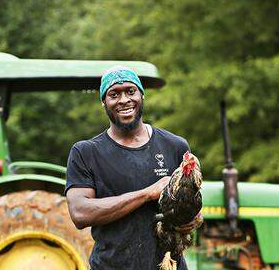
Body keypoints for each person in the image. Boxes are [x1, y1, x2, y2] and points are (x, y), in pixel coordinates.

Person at [65, 66, 202, 270]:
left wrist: (192, 219)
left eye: (130, 91)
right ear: (104, 101)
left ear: (142, 95)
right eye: (114, 94)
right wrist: (147, 194)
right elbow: (80, 213)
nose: (124, 100)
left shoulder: (175, 146)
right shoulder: (86, 153)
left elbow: (195, 209)